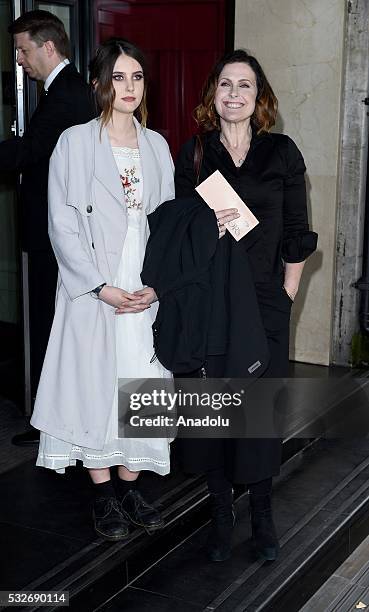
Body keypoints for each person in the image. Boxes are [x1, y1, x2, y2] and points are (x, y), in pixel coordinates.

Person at [172, 49, 318, 561]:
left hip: (265, 299)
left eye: (245, 86)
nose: (234, 94)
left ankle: (262, 515)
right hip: (212, 300)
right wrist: (200, 230)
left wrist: (288, 294)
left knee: (259, 412)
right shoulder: (194, 155)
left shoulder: (281, 152)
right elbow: (179, 235)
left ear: (260, 98)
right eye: (226, 85)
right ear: (214, 94)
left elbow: (298, 231)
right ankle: (219, 513)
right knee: (213, 408)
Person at [30, 38, 175, 541]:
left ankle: (132, 483)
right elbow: (61, 225)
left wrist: (158, 284)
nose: (129, 87)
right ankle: (104, 492)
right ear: (99, 84)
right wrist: (99, 287)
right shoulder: (73, 142)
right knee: (95, 384)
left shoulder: (156, 144)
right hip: (95, 285)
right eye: (119, 77)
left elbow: (169, 223)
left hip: (145, 284)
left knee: (142, 379)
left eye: (136, 77)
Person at [2, 10, 96, 445]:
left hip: (58, 236)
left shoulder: (68, 95)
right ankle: (51, 422)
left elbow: (34, 149)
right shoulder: (61, 91)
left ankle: (55, 426)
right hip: (54, 234)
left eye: (22, 50)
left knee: (53, 328)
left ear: (48, 47)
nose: (18, 60)